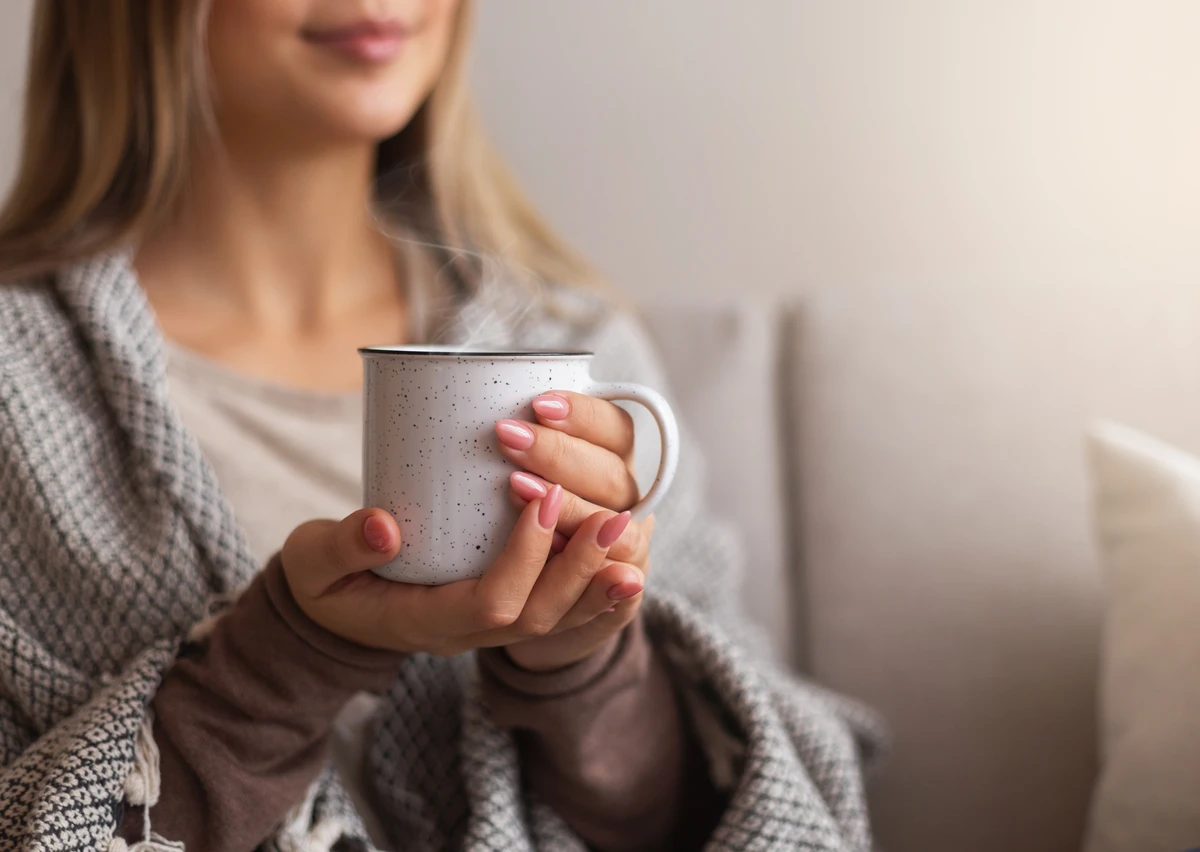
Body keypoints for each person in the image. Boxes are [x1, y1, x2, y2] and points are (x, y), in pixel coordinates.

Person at [0, 2, 884, 850]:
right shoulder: (21, 389)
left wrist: (589, 676)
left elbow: (766, 818)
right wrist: (283, 661)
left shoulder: (573, 347)